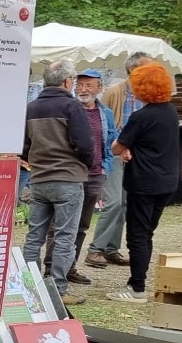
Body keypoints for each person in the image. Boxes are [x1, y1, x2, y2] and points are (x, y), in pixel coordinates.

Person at [106, 63, 182, 303]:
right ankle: (138, 282)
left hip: (143, 182)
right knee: (147, 233)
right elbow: (152, 143)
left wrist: (124, 147)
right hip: (167, 181)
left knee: (137, 235)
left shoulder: (141, 116)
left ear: (141, 88)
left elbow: (117, 146)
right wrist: (133, 148)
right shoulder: (171, 112)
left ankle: (137, 288)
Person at [22, 60, 93, 305]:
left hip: (39, 179)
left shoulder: (30, 108)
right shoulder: (72, 107)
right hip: (68, 179)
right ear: (67, 81)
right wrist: (85, 163)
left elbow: (23, 147)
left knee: (34, 236)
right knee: (64, 237)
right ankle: (58, 291)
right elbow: (85, 145)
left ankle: (28, 288)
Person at [45, 69, 116, 287]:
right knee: (59, 225)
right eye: (80, 85)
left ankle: (69, 267)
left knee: (82, 225)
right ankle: (51, 269)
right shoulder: (69, 109)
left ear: (99, 88)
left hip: (95, 175)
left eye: (89, 85)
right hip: (69, 175)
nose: (83, 89)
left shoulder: (105, 114)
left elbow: (111, 139)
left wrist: (105, 166)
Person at [87, 52, 153, 269]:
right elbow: (102, 123)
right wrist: (118, 146)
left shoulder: (148, 95)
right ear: (131, 70)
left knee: (125, 203)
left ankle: (110, 248)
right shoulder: (115, 92)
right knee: (114, 201)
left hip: (137, 156)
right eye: (146, 68)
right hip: (115, 152)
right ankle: (95, 250)